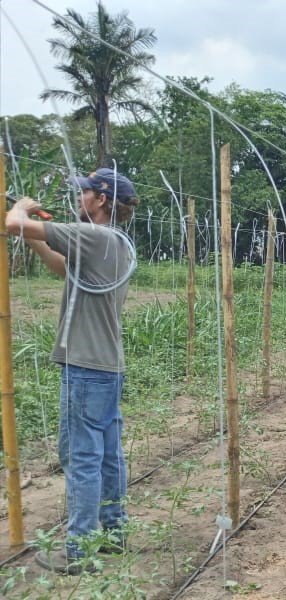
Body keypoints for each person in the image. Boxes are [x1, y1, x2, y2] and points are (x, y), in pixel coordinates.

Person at [7, 168, 139, 575]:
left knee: (81, 458)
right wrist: (34, 234)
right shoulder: (114, 242)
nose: (76, 197)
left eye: (83, 192)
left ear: (100, 199)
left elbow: (12, 224)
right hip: (107, 367)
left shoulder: (94, 235)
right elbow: (63, 268)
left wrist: (22, 209)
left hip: (84, 367)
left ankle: (79, 549)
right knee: (108, 456)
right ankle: (113, 535)